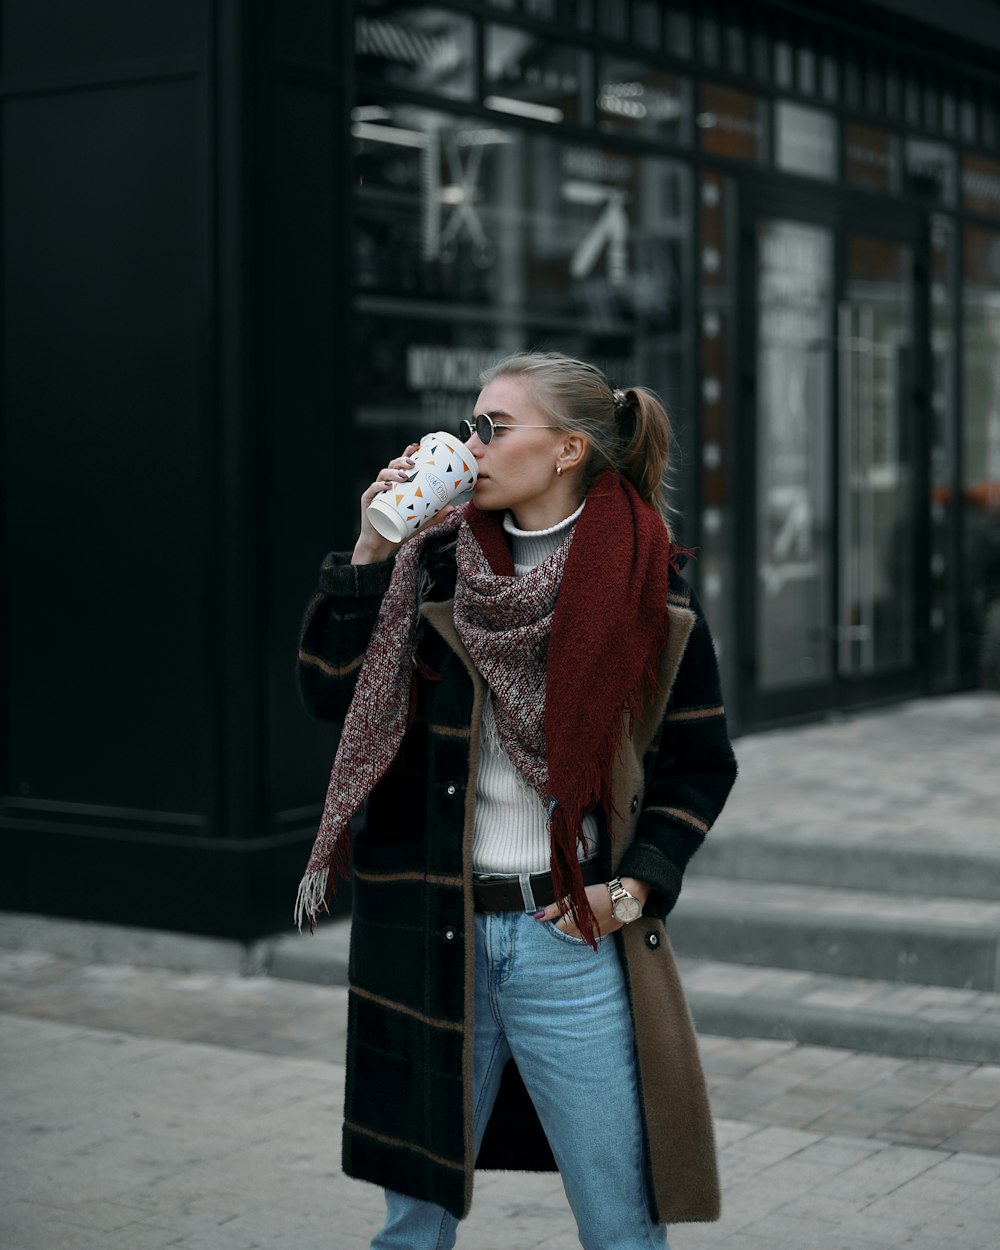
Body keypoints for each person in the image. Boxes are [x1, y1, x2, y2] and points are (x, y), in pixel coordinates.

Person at [295, 351, 738, 1249]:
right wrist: (372, 552)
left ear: (569, 448)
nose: (472, 446)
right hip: (431, 929)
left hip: (564, 936)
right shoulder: (431, 564)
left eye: (493, 429)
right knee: (410, 1226)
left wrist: (634, 888)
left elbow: (700, 762)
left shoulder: (645, 585)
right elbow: (334, 704)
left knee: (622, 1223)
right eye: (470, 426)